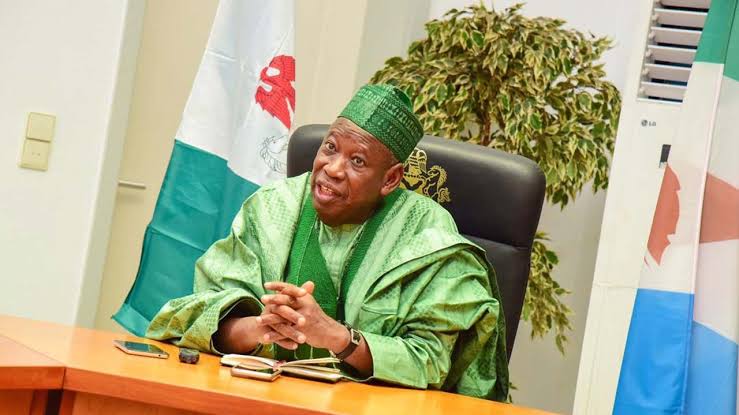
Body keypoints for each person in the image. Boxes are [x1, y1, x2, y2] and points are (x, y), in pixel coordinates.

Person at [146, 84, 509, 400]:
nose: (333, 168)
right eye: (330, 148)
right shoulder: (273, 207)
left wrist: (338, 338)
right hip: (259, 401)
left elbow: (431, 363)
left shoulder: (426, 234)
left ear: (390, 179)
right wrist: (258, 328)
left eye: (357, 161)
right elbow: (192, 318)